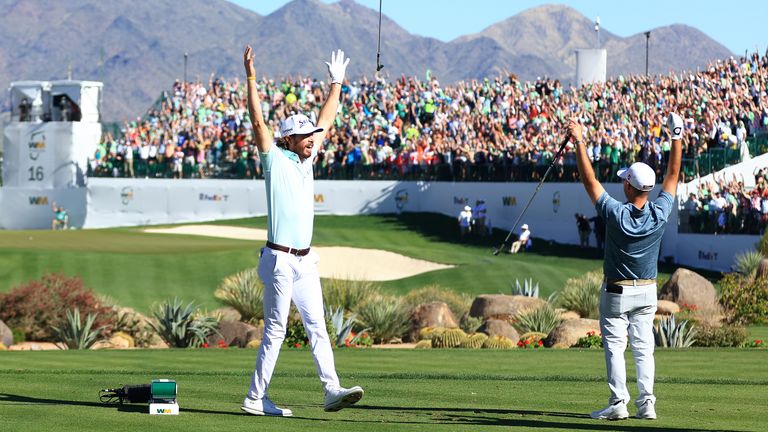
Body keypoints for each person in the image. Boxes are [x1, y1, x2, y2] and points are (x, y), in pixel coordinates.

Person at [241, 45, 363, 417]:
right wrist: (250, 78)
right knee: (276, 331)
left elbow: (327, 118)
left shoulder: (307, 161)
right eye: (304, 135)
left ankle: (331, 390)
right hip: (278, 258)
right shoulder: (274, 160)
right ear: (288, 140)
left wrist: (337, 84)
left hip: (305, 261)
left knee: (318, 327)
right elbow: (259, 123)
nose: (312, 138)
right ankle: (255, 398)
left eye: (312, 134)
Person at [569, 111, 682, 421]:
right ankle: (647, 405)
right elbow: (672, 175)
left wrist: (579, 140)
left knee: (616, 348)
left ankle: (619, 403)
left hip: (616, 292)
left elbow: (589, 180)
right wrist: (676, 136)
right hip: (647, 293)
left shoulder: (616, 215)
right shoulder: (659, 212)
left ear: (630, 188)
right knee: (644, 350)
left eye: (624, 181)